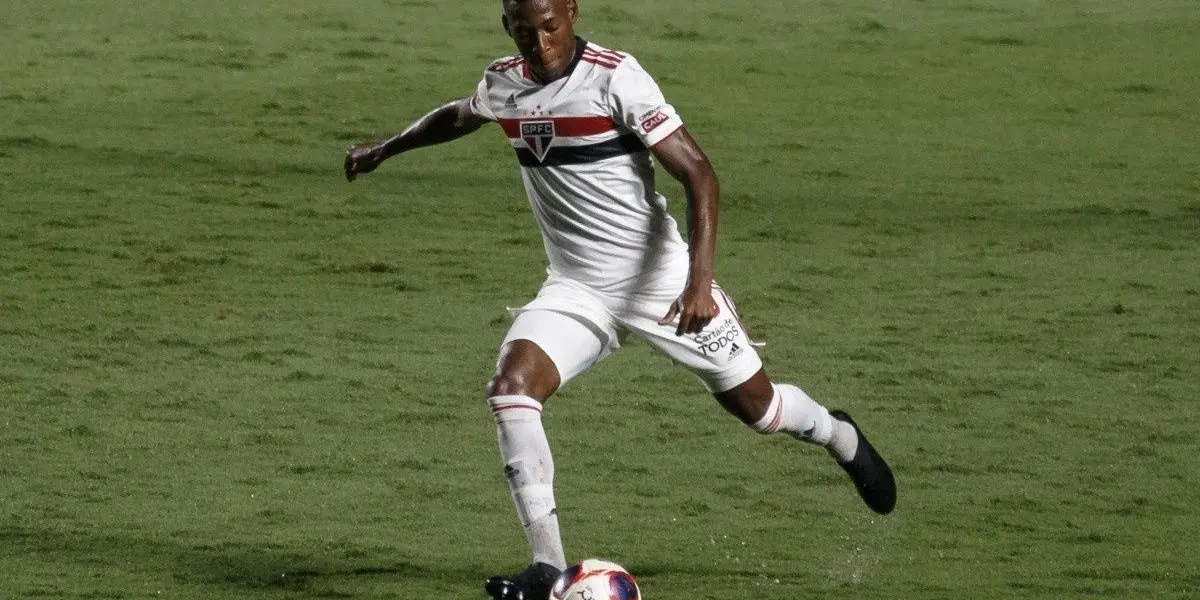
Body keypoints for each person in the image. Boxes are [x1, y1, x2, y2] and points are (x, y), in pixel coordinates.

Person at [344, 0, 896, 598]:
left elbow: (700, 175)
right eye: (525, 33)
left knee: (760, 411)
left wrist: (700, 283)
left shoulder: (615, 78)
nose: (541, 44)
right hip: (577, 288)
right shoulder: (506, 81)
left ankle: (838, 434)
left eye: (551, 27)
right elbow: (457, 116)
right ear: (509, 28)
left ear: (572, 12)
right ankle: (548, 567)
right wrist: (385, 148)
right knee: (511, 391)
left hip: (663, 285)